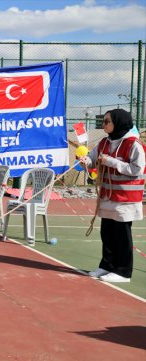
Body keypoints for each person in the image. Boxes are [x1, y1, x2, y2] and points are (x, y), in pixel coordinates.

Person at [80, 109, 145, 283]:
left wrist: (112, 162)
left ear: (118, 122)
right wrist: (86, 160)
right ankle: (106, 265)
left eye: (107, 121)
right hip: (107, 197)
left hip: (125, 199)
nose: (104, 124)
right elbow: (92, 158)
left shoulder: (133, 144)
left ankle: (123, 271)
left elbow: (138, 169)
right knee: (107, 233)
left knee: (121, 235)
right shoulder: (104, 142)